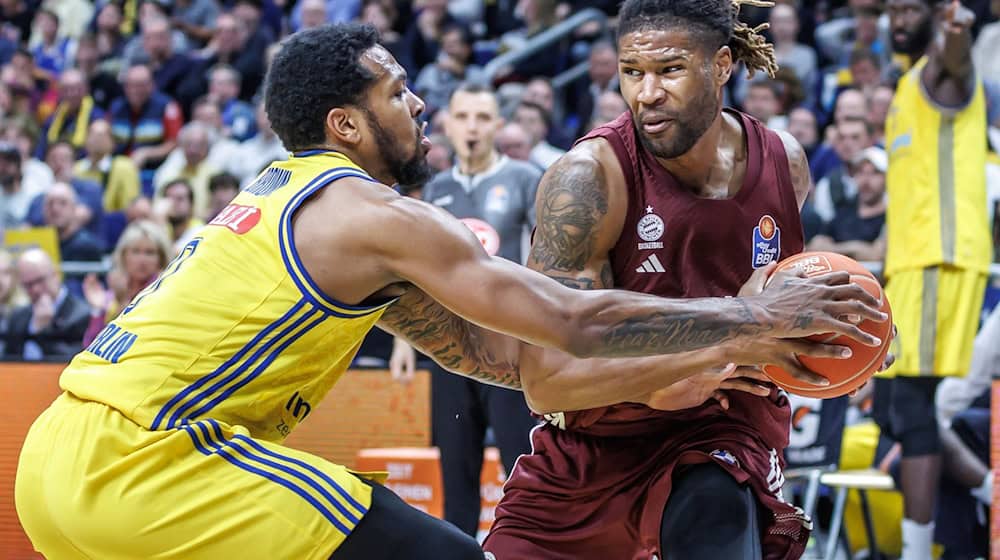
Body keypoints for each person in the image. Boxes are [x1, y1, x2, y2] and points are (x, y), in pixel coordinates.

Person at [15, 24, 885, 560]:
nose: (421, 104)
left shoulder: (282, 195)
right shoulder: (372, 210)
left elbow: (508, 359)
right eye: (398, 92)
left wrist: (655, 369)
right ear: (346, 124)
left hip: (54, 462)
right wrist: (747, 320)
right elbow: (567, 319)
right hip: (150, 458)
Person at [483, 1, 890, 559]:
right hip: (596, 442)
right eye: (632, 72)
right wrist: (672, 372)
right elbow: (547, 381)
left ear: (721, 65)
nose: (647, 93)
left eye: (669, 70)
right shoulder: (587, 178)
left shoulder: (783, 163)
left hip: (721, 434)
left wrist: (849, 334)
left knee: (714, 505)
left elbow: (780, 314)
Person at [393, 83, 542, 537]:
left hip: (510, 351)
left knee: (522, 465)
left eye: (482, 118)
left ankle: (529, 547)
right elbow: (414, 272)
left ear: (498, 125)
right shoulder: (433, 189)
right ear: (448, 125)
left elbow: (547, 263)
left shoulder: (525, 179)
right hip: (448, 349)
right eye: (463, 117)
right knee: (455, 469)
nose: (472, 127)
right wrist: (404, 340)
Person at [878, 2, 992, 559]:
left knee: (913, 405)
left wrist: (956, 34)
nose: (899, 18)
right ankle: (991, 489)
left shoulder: (940, 74)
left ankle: (916, 554)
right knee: (888, 405)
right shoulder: (903, 88)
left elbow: (957, 61)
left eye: (909, 7)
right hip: (909, 264)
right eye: (892, 9)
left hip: (939, 259)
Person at [4, 248, 91, 361]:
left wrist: (42, 331)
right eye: (28, 285)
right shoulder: (18, 316)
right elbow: (8, 360)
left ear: (56, 275)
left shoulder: (81, 315)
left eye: (40, 280)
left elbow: (72, 360)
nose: (35, 289)